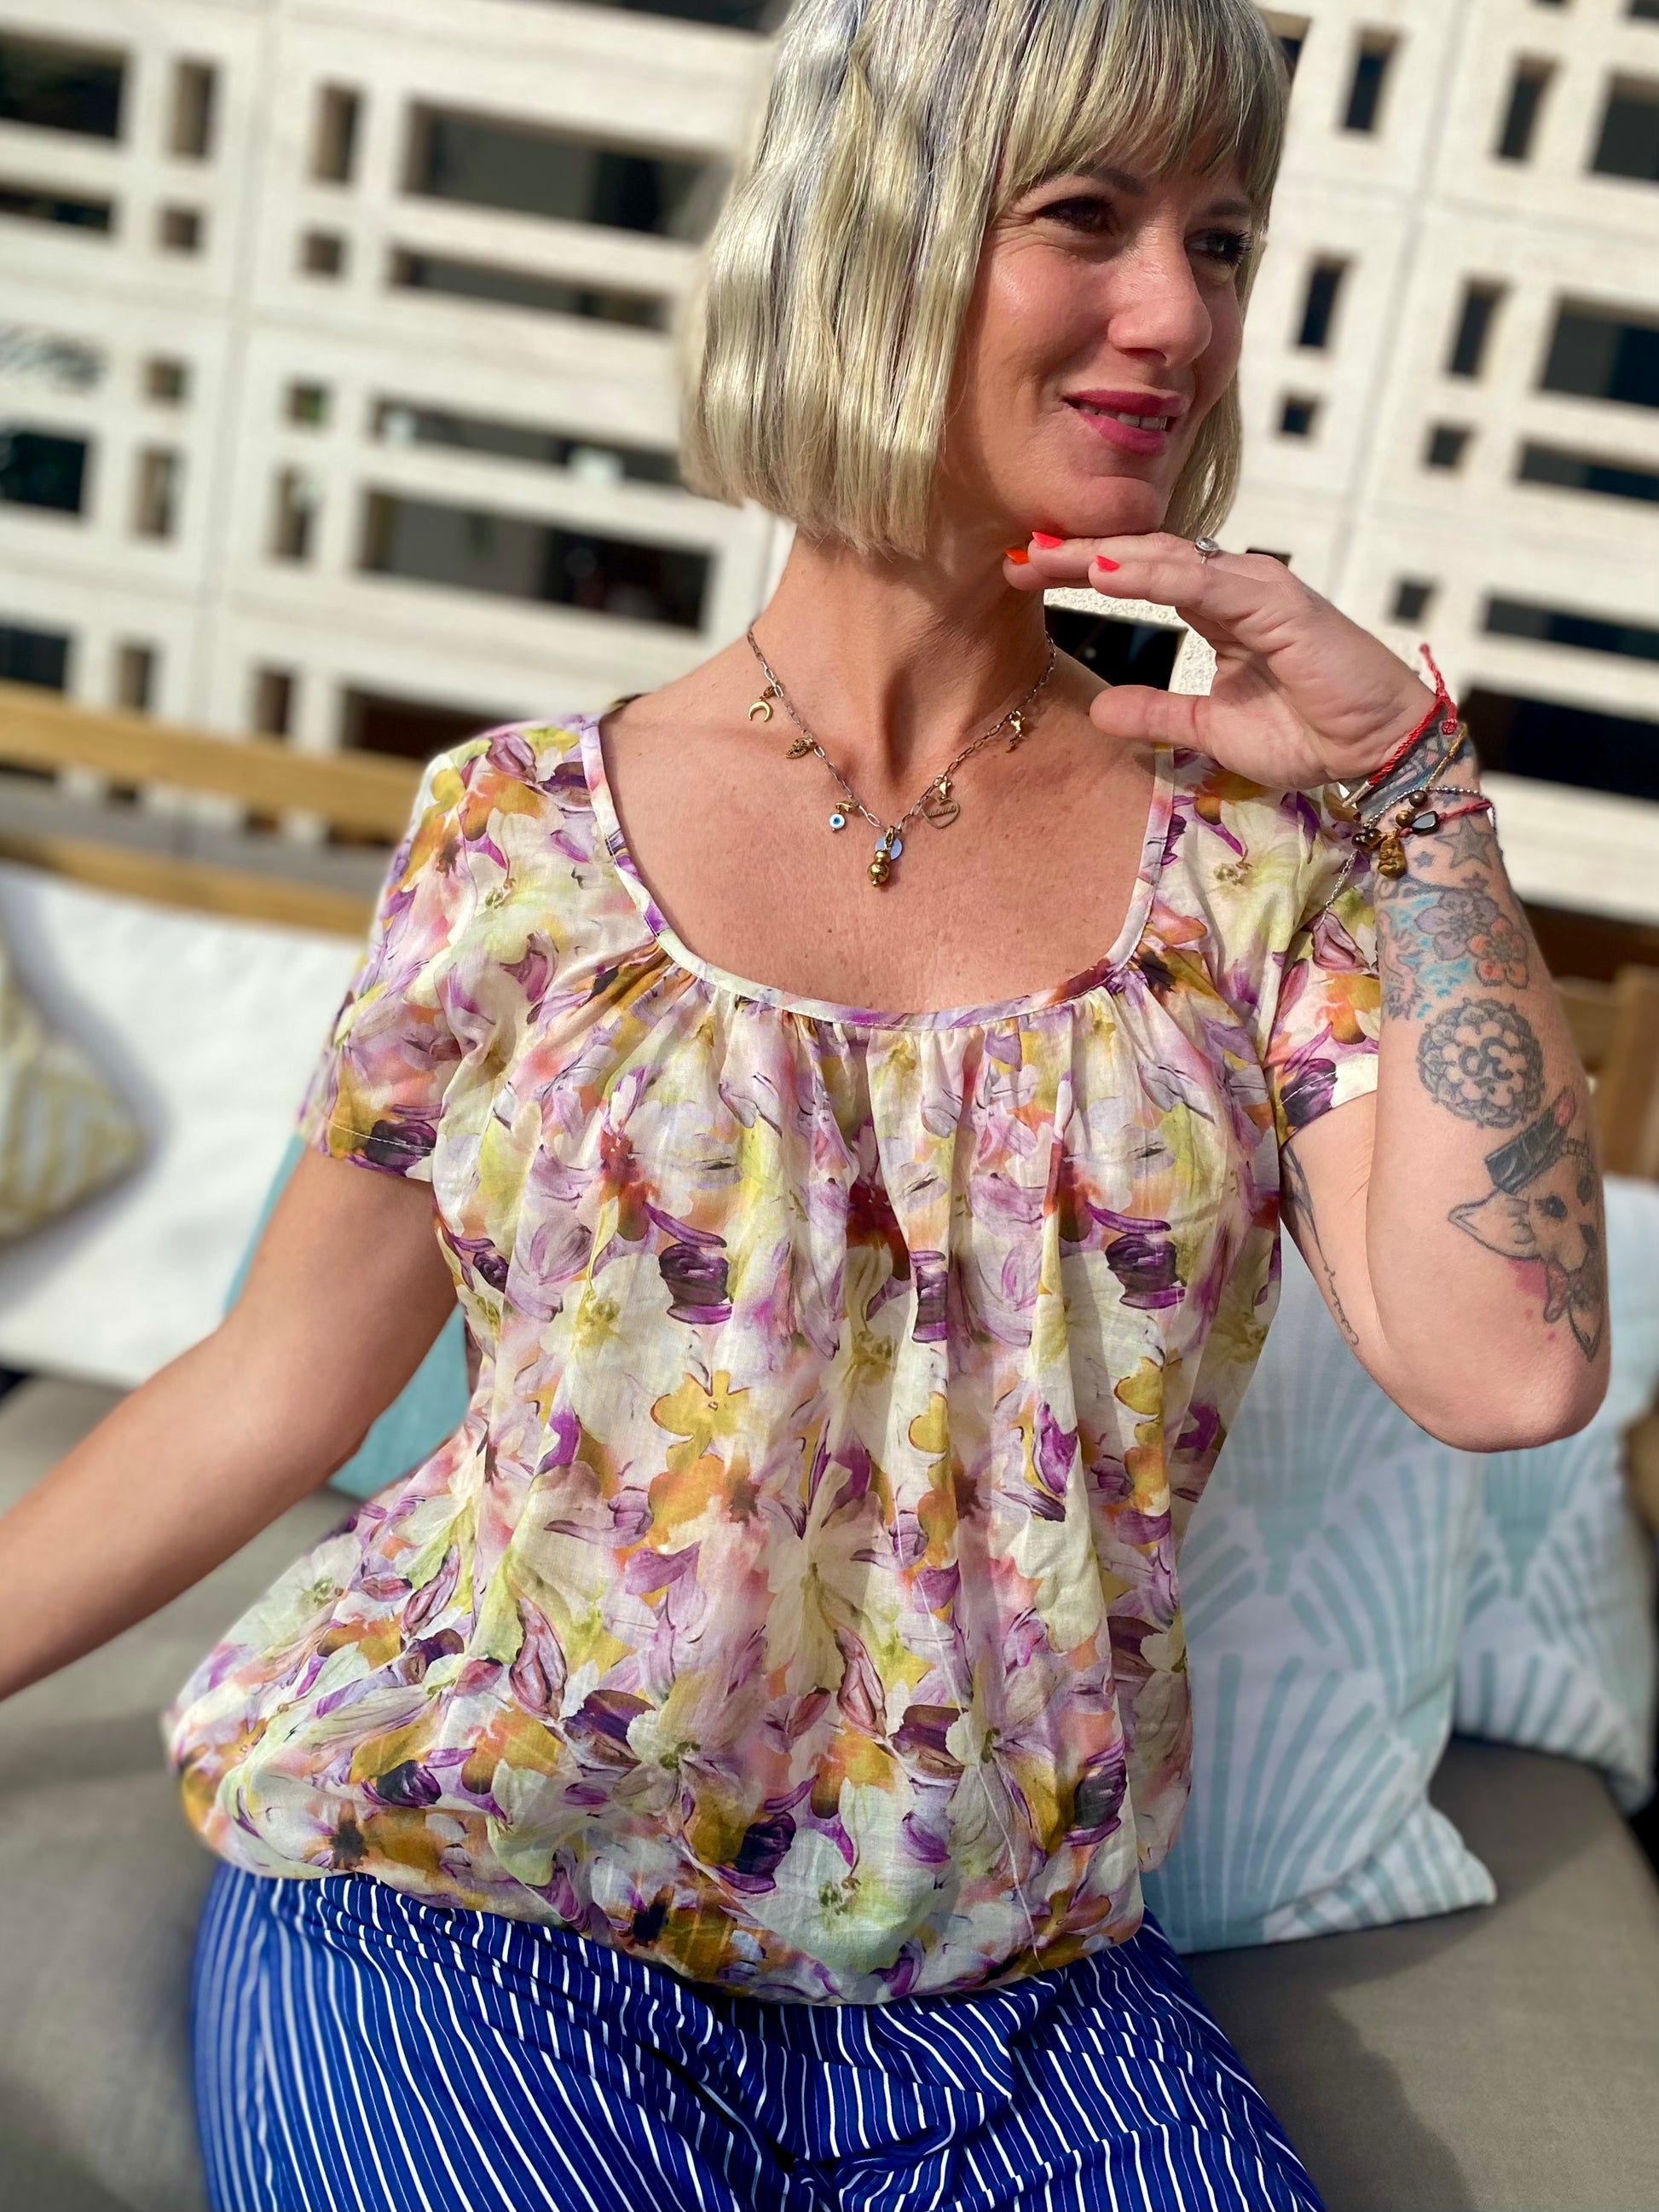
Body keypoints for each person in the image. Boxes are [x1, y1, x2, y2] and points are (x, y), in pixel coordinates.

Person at [0, 0, 1608, 2206]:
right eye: (1088, 216)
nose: (1177, 312)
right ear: (875, 233)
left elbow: (1510, 1368)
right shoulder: (523, 840)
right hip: (477, 1896)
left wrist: (1420, 800)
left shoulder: (1258, 862)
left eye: (1222, 240)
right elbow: (276, 1382)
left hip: (1014, 1994)